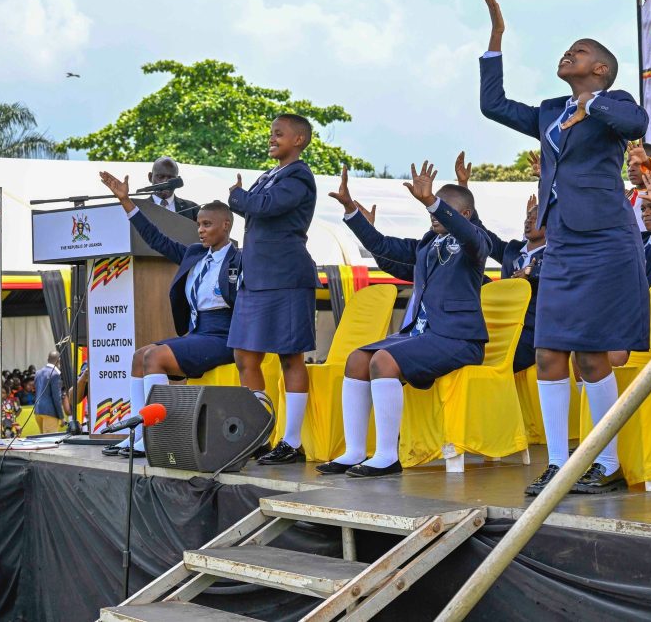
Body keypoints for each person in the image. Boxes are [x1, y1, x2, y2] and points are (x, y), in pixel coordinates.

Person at [479, 0, 649, 495]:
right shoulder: (550, 109)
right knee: (549, 352)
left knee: (592, 357)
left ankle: (607, 463)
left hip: (603, 240)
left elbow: (635, 122)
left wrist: (590, 106)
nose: (567, 55)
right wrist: (496, 38)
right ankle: (559, 463)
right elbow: (494, 106)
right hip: (562, 245)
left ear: (599, 69)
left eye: (579, 52)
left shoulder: (613, 102)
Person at [317, 162, 490, 478]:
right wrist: (351, 211)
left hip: (459, 340)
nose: (434, 214)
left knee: (383, 361)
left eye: (443, 209)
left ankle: (387, 455)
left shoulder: (475, 243)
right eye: (432, 209)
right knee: (357, 360)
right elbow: (385, 251)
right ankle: (355, 451)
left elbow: (468, 234)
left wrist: (432, 201)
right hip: (423, 336)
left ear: (464, 215)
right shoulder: (426, 245)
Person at [99, 171, 241, 457]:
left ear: (226, 226)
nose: (200, 230)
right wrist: (126, 202)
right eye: (199, 224)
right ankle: (138, 433)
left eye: (207, 224)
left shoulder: (241, 259)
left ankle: (157, 435)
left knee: (154, 357)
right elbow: (156, 239)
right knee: (139, 356)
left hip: (224, 335)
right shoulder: (194, 254)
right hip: (199, 332)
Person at [227, 113, 319, 465]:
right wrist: (244, 195)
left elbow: (264, 207)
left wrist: (237, 196)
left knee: (289, 355)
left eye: (279, 134)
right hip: (256, 278)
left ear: (298, 140)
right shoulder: (269, 175)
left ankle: (292, 442)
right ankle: (259, 435)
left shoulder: (300, 175)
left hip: (285, 277)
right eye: (271, 134)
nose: (272, 138)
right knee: (244, 356)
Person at [455, 152, 545, 373]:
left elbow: (558, 272)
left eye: (535, 219)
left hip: (533, 335)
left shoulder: (556, 256)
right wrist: (463, 187)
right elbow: (479, 230)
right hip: (497, 330)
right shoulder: (512, 250)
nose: (528, 222)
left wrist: (531, 273)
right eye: (527, 218)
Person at [33, 351, 64, 434]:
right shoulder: (55, 374)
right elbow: (56, 398)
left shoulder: (38, 373)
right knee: (50, 440)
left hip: (38, 411)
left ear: (47, 359)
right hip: (50, 412)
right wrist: (61, 417)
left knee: (42, 439)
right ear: (59, 361)